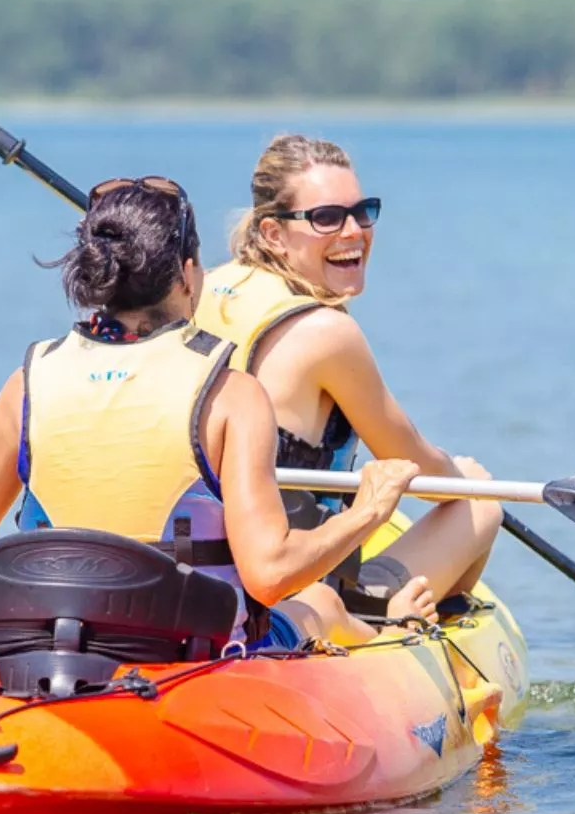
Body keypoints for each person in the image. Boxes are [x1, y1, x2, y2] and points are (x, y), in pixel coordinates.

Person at [0, 175, 438, 650]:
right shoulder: (230, 396)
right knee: (320, 603)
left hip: (50, 640)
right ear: (188, 273)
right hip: (186, 651)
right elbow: (270, 575)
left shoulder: (27, 382)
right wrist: (370, 509)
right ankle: (396, 631)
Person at [196, 135, 502, 612]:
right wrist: (464, 474)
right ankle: (403, 623)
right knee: (478, 504)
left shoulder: (202, 289)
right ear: (273, 233)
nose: (354, 231)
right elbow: (416, 465)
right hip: (297, 584)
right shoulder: (325, 332)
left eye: (362, 212)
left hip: (201, 565)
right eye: (326, 218)